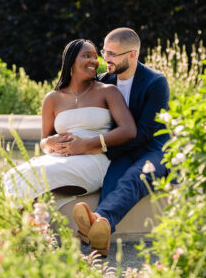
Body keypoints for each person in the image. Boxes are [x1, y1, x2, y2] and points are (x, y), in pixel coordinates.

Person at [68, 28, 170, 255]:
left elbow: (144, 132)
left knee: (134, 177)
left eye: (113, 54)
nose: (106, 59)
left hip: (154, 148)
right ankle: (100, 235)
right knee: (112, 179)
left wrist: (100, 145)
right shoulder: (103, 81)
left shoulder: (156, 82)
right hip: (121, 151)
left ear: (132, 55)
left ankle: (96, 222)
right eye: (105, 51)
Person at [3, 39, 137, 202]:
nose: (94, 61)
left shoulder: (108, 92)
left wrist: (86, 144)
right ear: (70, 61)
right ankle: (26, 224)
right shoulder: (52, 98)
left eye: (95, 57)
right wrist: (50, 142)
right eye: (87, 56)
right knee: (12, 176)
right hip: (58, 158)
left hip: (93, 160)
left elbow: (129, 130)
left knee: (39, 174)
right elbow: (44, 142)